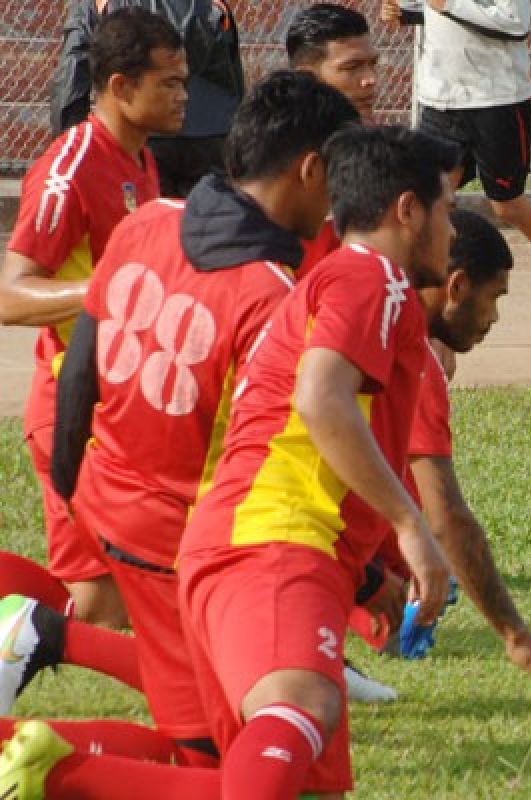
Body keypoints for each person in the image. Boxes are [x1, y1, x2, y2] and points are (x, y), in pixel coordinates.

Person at [0, 125, 458, 800]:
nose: (454, 228)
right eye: (449, 207)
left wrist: (369, 570)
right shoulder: (371, 278)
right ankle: (55, 753)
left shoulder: (317, 281)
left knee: (260, 771)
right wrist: (412, 530)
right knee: (296, 707)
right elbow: (318, 398)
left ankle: (55, 766)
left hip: (220, 537)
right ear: (408, 210)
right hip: (262, 540)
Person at [0, 8, 187, 628]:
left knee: (108, 603)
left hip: (119, 408)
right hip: (70, 411)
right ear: (121, 87)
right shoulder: (69, 167)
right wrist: (110, 289)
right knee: (108, 610)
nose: (184, 95)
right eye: (170, 82)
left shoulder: (139, 158)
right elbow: (10, 295)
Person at [400, 208, 531, 708]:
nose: (496, 317)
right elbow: (449, 520)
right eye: (494, 297)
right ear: (456, 286)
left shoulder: (366, 299)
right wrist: (516, 635)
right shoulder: (412, 362)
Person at [383, 0, 531, 329]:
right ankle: (415, 302)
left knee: (507, 205)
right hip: (440, 100)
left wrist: (448, 4)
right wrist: (406, 13)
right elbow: (435, 10)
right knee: (427, 199)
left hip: (498, 102)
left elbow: (514, 24)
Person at [49, 0, 245, 198]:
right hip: (213, 134)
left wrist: (69, 145)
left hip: (142, 134)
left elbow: (73, 72)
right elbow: (231, 76)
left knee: (145, 222)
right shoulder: (211, 4)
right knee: (208, 222)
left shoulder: (102, 4)